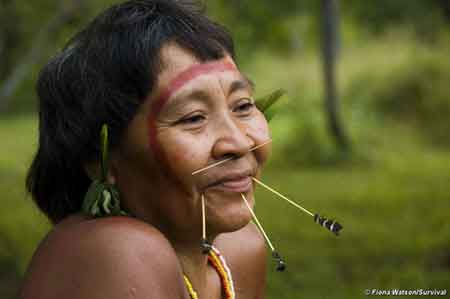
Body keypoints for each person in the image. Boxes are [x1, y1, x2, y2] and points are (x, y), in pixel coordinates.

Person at [19, 0, 271, 298]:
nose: (240, 143)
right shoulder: (116, 252)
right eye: (193, 118)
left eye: (242, 106)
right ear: (101, 159)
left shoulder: (239, 253)